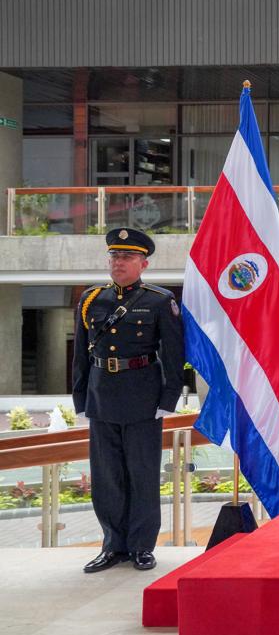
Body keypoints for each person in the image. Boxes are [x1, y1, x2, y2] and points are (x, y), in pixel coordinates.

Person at [73, 228, 185, 572]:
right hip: (101, 395)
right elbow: (80, 354)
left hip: (143, 397)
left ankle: (141, 546)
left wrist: (169, 397)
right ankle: (113, 546)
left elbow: (173, 354)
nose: (118, 262)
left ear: (143, 263)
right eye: (114, 256)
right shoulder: (92, 299)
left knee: (142, 474)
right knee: (107, 477)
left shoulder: (158, 300)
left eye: (126, 257)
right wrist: (80, 400)